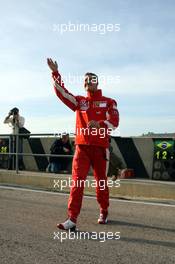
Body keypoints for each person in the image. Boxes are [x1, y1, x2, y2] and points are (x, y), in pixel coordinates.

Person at [47, 58, 119, 230]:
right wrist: (55, 73)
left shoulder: (109, 102)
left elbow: (114, 122)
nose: (87, 82)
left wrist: (100, 124)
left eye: (91, 80)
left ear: (97, 83)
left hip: (101, 149)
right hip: (82, 148)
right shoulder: (80, 101)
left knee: (101, 182)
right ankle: (72, 219)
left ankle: (104, 209)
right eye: (85, 80)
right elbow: (62, 93)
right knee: (77, 182)